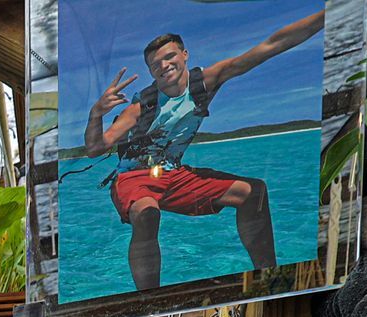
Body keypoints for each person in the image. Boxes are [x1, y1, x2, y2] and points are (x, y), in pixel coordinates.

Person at [82, 13, 324, 290]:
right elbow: (95, 148)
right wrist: (96, 113)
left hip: (174, 174)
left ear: (184, 55)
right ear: (151, 72)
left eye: (170, 56)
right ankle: (148, 297)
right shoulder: (141, 106)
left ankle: (269, 277)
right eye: (155, 64)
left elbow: (270, 46)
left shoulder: (205, 83)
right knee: (148, 213)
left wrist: (329, 13)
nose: (164, 65)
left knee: (252, 192)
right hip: (134, 177)